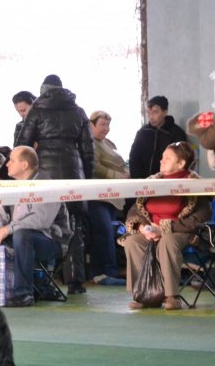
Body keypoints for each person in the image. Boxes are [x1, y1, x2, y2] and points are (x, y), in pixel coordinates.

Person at [16, 74, 94, 295]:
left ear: (43, 90)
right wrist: (85, 177)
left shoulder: (37, 110)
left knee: (41, 223)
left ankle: (43, 278)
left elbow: (23, 145)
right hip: (73, 172)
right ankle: (76, 282)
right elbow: (88, 150)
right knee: (75, 226)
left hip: (44, 175)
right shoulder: (78, 111)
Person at [0, 146, 70, 308]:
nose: (7, 164)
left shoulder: (48, 186)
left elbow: (40, 221)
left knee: (22, 235)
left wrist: (7, 230)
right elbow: (0, 214)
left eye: (12, 160)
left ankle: (23, 294)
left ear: (24, 165)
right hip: (17, 238)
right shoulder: (12, 187)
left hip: (51, 242)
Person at [121, 141, 211, 311]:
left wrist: (165, 228)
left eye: (167, 158)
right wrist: (142, 228)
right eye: (162, 157)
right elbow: (136, 210)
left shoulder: (195, 184)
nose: (161, 161)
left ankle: (171, 296)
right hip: (150, 229)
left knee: (167, 241)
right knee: (133, 241)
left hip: (181, 231)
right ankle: (142, 294)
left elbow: (201, 216)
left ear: (181, 163)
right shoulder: (153, 182)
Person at [87, 110, 128, 286]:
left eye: (108, 125)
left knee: (108, 232)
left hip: (112, 197)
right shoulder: (90, 143)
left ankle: (108, 271)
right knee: (103, 232)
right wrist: (116, 175)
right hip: (97, 196)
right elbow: (93, 166)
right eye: (102, 124)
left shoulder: (108, 143)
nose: (106, 128)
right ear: (91, 125)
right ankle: (104, 273)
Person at [128, 95, 187, 181]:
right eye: (148, 112)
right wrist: (138, 180)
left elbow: (179, 161)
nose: (151, 117)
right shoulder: (143, 132)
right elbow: (134, 158)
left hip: (168, 182)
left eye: (155, 112)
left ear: (165, 112)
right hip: (143, 182)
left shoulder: (176, 133)